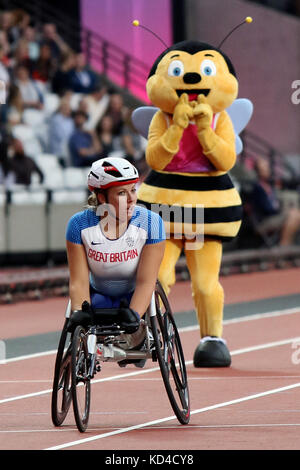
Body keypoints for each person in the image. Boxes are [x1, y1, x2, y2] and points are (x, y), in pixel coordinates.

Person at [66, 156, 166, 366]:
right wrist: (79, 313)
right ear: (102, 197)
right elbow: (79, 281)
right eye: (122, 193)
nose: (131, 199)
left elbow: (147, 281)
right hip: (98, 297)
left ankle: (135, 340)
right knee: (83, 323)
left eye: (133, 190)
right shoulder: (78, 226)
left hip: (134, 297)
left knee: (134, 331)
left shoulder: (151, 223)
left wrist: (135, 315)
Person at [250, 157, 300, 246]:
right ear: (258, 171)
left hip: (273, 216)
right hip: (263, 221)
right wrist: (280, 208)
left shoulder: (269, 185)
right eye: (264, 168)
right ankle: (283, 248)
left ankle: (286, 246)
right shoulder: (257, 188)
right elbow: (267, 209)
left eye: (267, 167)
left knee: (295, 214)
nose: (267, 170)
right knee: (294, 215)